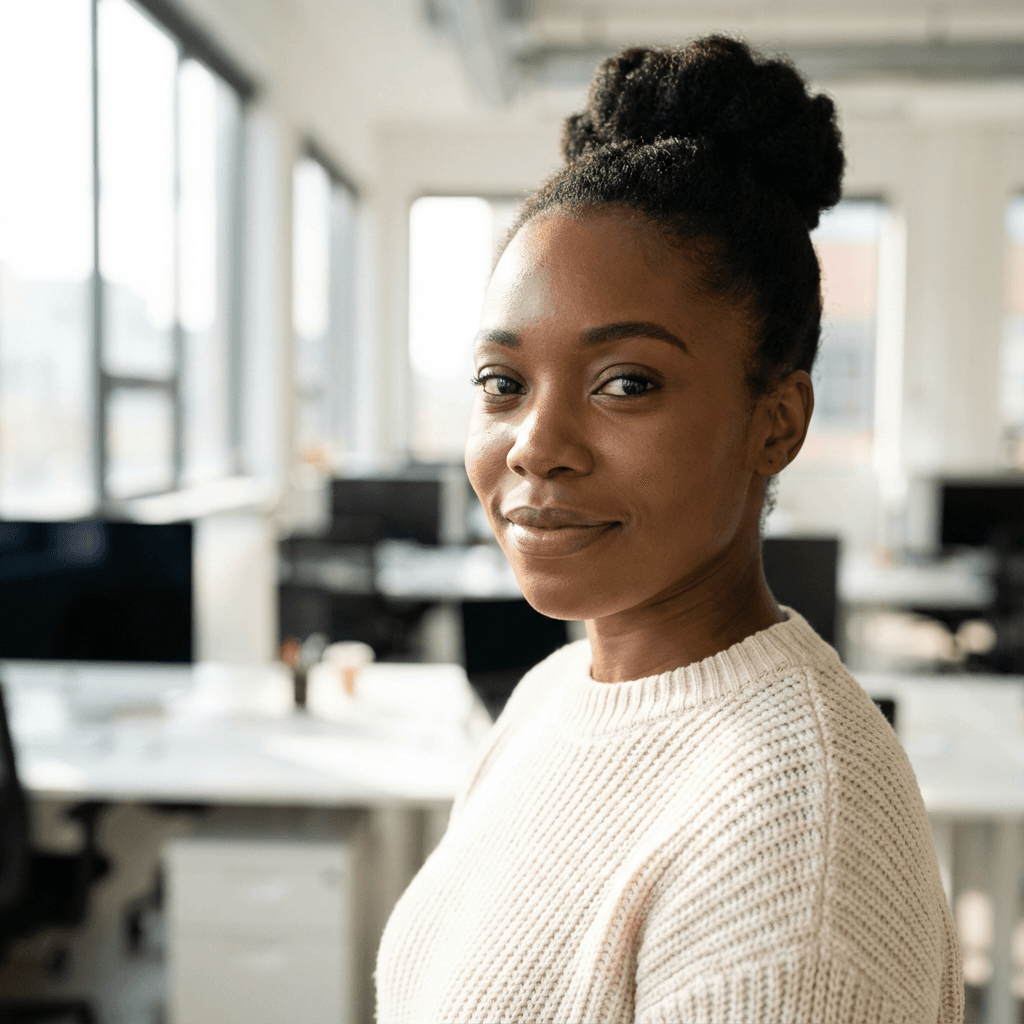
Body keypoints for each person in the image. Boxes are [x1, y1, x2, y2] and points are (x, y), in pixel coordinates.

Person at [376, 36, 963, 1024]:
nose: (533, 444)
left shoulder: (791, 843)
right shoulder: (550, 691)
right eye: (501, 383)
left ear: (775, 420)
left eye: (626, 383)